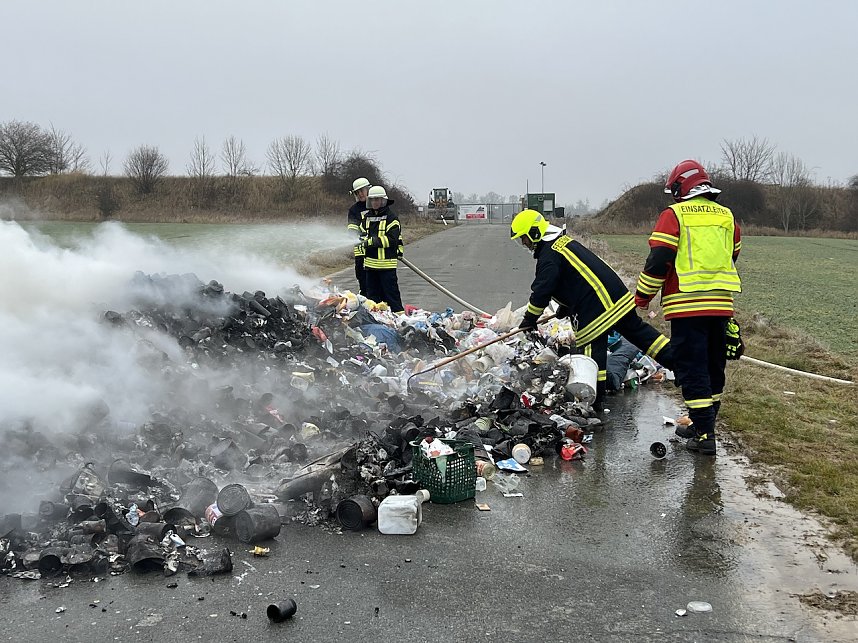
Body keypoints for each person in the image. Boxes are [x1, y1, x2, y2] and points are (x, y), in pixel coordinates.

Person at [512, 209, 673, 410]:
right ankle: (678, 362)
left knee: (590, 355)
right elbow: (574, 280)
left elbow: (543, 288)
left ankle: (595, 401)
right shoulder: (562, 244)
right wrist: (566, 307)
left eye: (525, 239)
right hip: (616, 297)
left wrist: (530, 318)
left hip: (596, 307)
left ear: (535, 233)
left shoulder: (549, 254)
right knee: (640, 333)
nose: (525, 244)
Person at [634, 160, 741, 456]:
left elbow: (659, 261)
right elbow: (732, 254)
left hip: (687, 305)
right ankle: (703, 425)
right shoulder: (726, 216)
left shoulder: (675, 214)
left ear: (681, 188)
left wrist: (642, 297)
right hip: (720, 305)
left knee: (693, 371)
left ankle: (705, 435)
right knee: (712, 370)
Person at [360, 185, 404, 312]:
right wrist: (363, 240)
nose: (375, 202)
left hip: (386, 266)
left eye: (377, 200)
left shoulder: (392, 219)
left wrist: (373, 241)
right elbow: (361, 235)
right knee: (372, 299)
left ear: (383, 200)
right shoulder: (366, 218)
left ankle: (400, 320)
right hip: (370, 267)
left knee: (392, 297)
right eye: (373, 200)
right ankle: (377, 321)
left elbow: (392, 240)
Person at [347, 177, 371, 296]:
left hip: (375, 252)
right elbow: (352, 228)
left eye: (362, 190)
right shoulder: (354, 210)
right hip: (361, 252)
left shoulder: (376, 205)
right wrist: (355, 236)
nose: (360, 194)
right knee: (362, 278)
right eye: (357, 192)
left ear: (368, 189)